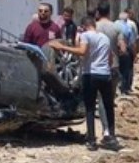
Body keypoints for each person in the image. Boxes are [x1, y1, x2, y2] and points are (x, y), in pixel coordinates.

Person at [49, 17, 119, 151]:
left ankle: (92, 140)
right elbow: (110, 57)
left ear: (84, 26)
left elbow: (82, 51)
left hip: (91, 75)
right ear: (94, 25)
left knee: (90, 108)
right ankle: (111, 136)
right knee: (108, 106)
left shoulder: (86, 36)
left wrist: (62, 47)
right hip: (105, 75)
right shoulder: (104, 38)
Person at [95, 2, 127, 142]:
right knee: (109, 100)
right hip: (112, 67)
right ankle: (108, 130)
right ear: (109, 12)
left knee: (100, 100)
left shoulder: (93, 28)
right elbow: (123, 48)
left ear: (98, 13)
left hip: (95, 68)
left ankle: (105, 129)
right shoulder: (116, 28)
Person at [23, 3, 62, 71]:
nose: (42, 13)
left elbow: (60, 46)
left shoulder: (55, 28)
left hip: (51, 64)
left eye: (45, 11)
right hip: (34, 63)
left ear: (51, 13)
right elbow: (25, 45)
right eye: (40, 11)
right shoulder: (31, 27)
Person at [116, 12, 136, 95]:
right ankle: (124, 88)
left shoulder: (114, 25)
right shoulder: (128, 27)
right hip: (125, 50)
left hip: (114, 51)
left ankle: (117, 87)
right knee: (126, 70)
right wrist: (134, 54)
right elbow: (132, 42)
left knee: (117, 70)